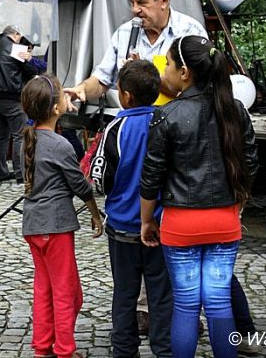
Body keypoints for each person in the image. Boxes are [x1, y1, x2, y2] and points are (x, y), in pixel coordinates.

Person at [140, 36, 258, 358]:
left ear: (185, 73)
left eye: (168, 63)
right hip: (225, 220)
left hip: (180, 224)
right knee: (219, 303)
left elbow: (151, 177)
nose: (164, 70)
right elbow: (250, 163)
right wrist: (238, 204)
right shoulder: (234, 110)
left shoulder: (166, 114)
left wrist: (147, 221)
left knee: (186, 304)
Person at [91, 60, 172, 358]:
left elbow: (100, 178)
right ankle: (165, 348)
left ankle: (124, 349)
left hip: (123, 227)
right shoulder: (166, 122)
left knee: (125, 292)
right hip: (161, 226)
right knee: (161, 293)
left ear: (125, 95)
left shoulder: (116, 128)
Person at [20, 74, 104, 358]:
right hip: (54, 226)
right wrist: (96, 214)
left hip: (33, 224)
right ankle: (65, 349)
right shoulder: (60, 145)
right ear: (56, 108)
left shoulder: (28, 139)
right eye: (62, 95)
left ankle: (43, 346)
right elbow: (80, 186)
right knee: (67, 292)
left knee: (44, 288)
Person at [65, 0, 207, 105]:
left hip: (176, 118)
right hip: (134, 119)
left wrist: (144, 75)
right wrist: (81, 89)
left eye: (141, 2)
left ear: (163, 0)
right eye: (131, 3)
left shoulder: (190, 32)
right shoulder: (124, 33)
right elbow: (102, 80)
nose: (135, 9)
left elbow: (196, 92)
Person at [0, 25, 37, 183]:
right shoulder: (16, 48)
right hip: (12, 97)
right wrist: (29, 59)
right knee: (19, 135)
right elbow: (31, 71)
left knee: (1, 136)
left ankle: (1, 171)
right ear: (15, 34)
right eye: (20, 36)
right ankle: (20, 173)